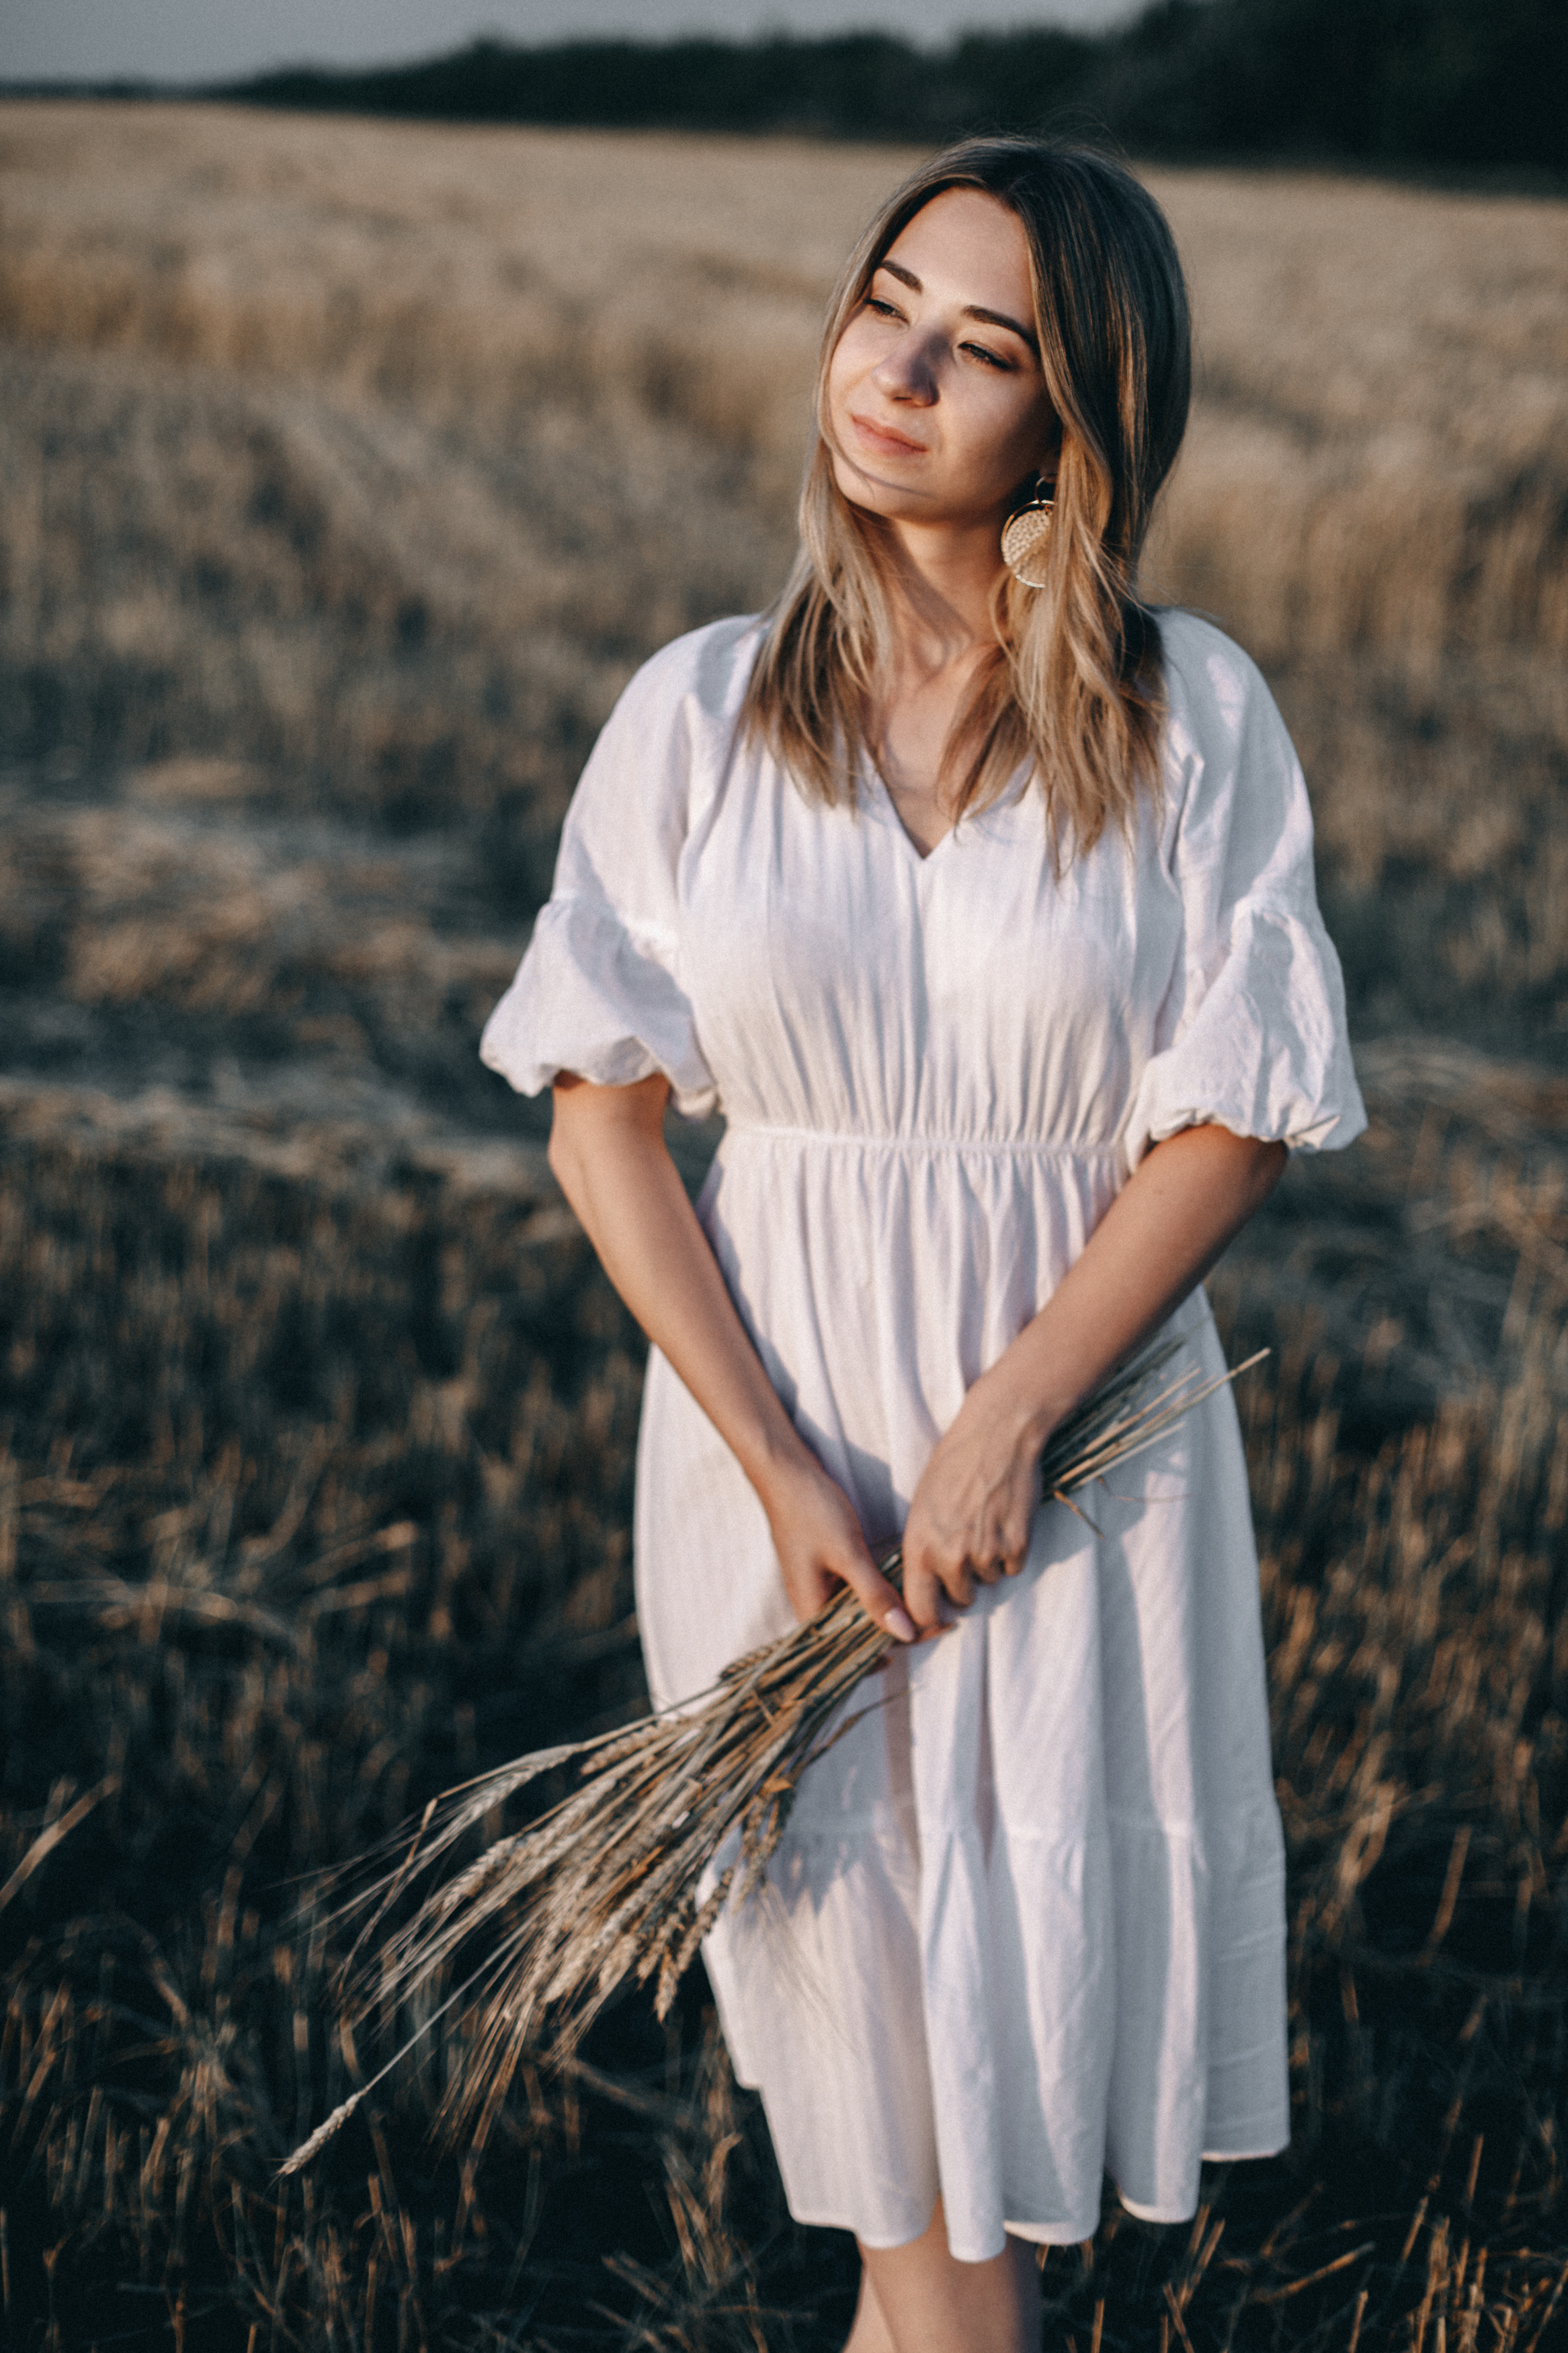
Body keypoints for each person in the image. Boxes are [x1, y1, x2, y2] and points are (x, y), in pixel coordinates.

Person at [480, 137, 1364, 2353]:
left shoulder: (1190, 724)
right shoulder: (700, 710)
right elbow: (606, 1120)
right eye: (886, 302)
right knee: (914, 2168)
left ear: (1076, 419)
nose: (899, 370)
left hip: (1073, 1473)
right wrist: (785, 1465)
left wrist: (1009, 1418)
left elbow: (1231, 1113)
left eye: (984, 349)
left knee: (976, 2178)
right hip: (789, 1465)